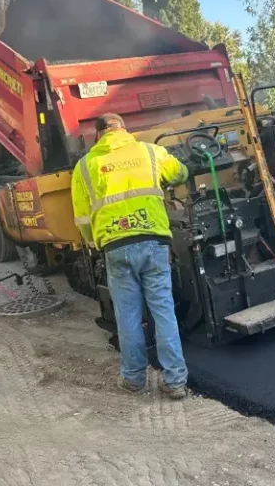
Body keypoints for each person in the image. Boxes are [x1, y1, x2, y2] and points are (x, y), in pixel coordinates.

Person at [71, 113, 190, 400]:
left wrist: (93, 243)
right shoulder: (150, 151)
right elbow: (180, 173)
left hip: (115, 247)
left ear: (98, 136)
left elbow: (83, 217)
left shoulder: (86, 166)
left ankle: (134, 379)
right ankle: (175, 382)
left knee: (128, 316)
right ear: (124, 129)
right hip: (153, 242)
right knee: (163, 311)